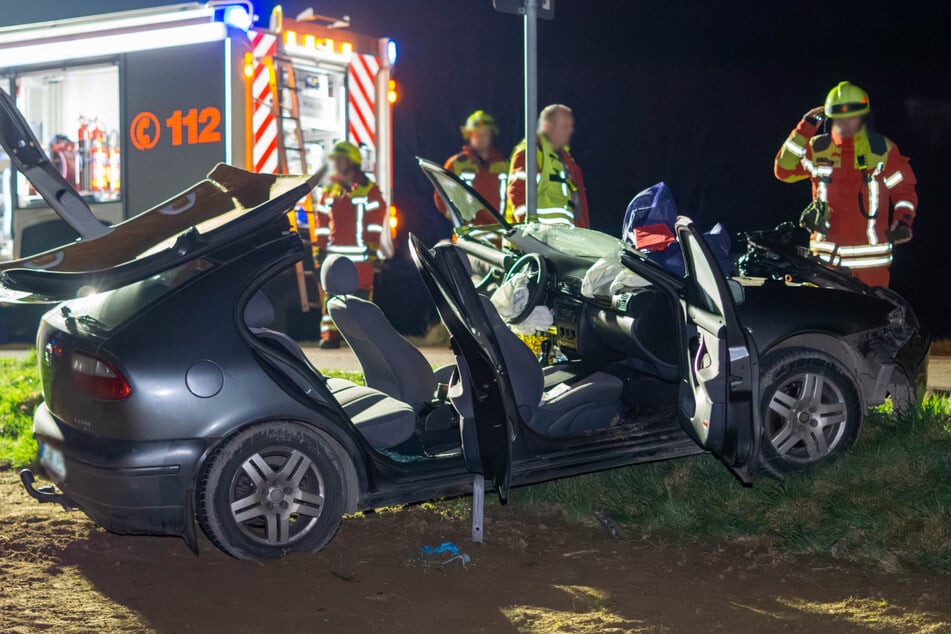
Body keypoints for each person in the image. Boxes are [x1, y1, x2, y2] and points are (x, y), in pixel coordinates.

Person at [774, 81, 918, 287]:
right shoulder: (817, 149)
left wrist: (903, 221)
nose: (847, 123)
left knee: (871, 319)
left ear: (863, 116)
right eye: (841, 118)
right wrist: (805, 127)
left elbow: (904, 191)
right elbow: (783, 170)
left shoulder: (882, 150)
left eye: (852, 117)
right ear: (831, 118)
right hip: (824, 264)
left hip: (871, 268)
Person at [314, 141, 386, 348]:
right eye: (334, 159)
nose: (336, 163)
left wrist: (372, 248)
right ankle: (330, 336)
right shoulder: (330, 190)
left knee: (362, 297)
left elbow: (375, 221)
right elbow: (322, 223)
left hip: (362, 256)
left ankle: (364, 339)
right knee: (332, 297)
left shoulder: (369, 190)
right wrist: (319, 249)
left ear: (352, 162)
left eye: (340, 159)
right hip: (335, 255)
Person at [506, 104, 589, 227]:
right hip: (538, 241)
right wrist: (529, 231)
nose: (571, 130)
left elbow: (578, 207)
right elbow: (517, 193)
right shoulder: (531, 153)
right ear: (548, 126)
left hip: (562, 241)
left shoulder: (567, 161)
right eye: (565, 126)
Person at [436, 110, 509, 232]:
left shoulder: (504, 165)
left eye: (485, 134)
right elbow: (441, 198)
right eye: (476, 134)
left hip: (501, 237)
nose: (481, 138)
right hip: (469, 238)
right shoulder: (456, 164)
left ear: (491, 135)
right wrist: (459, 219)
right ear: (469, 136)